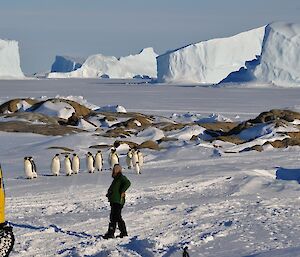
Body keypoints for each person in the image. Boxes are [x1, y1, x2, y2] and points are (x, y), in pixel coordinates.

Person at [103, 164, 131, 239]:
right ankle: (111, 233)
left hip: (118, 201)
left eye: (114, 170)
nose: (112, 171)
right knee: (113, 217)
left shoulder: (121, 177)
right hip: (114, 201)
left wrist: (122, 191)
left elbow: (128, 183)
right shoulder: (116, 179)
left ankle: (122, 232)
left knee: (117, 217)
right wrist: (109, 194)